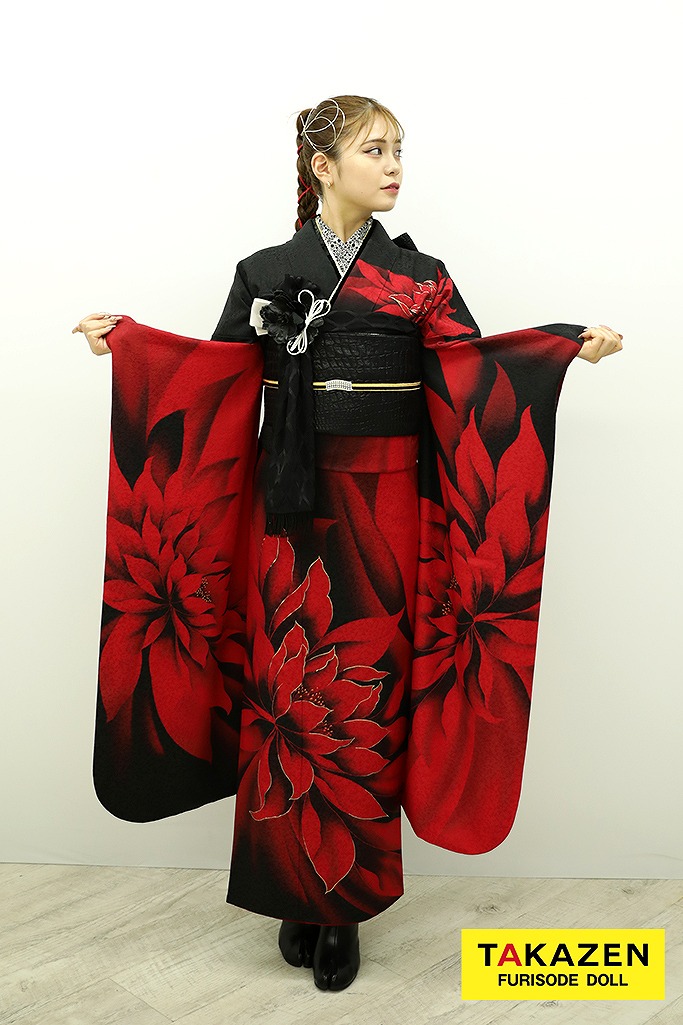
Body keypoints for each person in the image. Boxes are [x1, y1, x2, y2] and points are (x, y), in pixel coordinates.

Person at [73, 95, 623, 993]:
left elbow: (470, 372)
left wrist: (561, 349)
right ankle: (291, 894)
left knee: (360, 692)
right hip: (287, 504)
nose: (395, 165)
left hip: (384, 508)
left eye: (399, 149)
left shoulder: (421, 277)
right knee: (286, 690)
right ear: (322, 166)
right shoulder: (265, 270)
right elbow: (216, 378)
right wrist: (130, 346)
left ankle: (343, 910)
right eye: (375, 150)